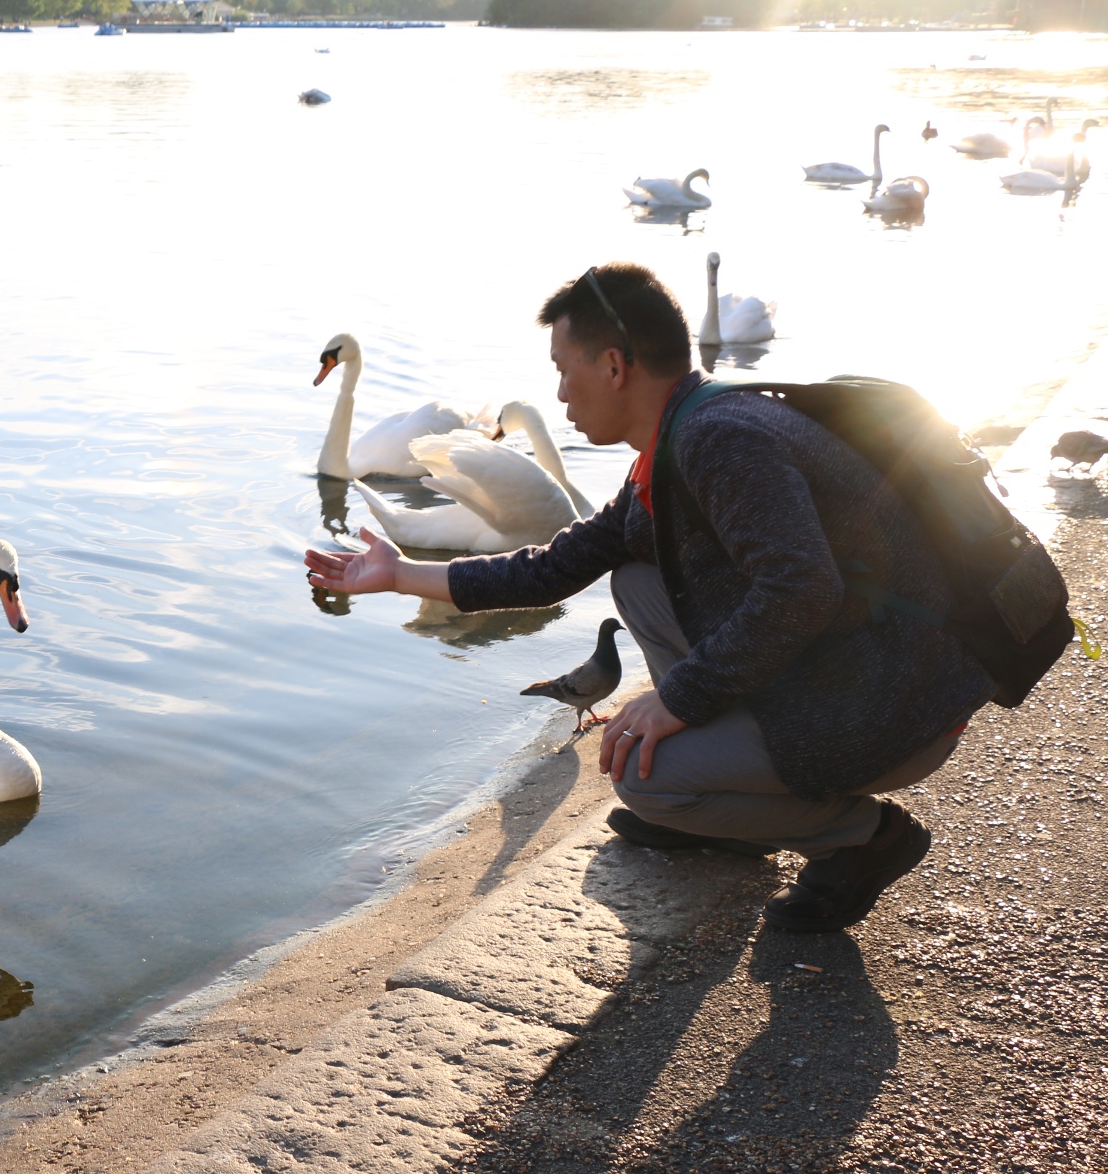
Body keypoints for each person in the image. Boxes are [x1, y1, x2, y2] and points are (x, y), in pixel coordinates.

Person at [305, 262, 991, 932]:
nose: (561, 393)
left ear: (613, 365)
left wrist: (678, 699)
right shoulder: (676, 441)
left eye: (562, 368)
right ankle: (734, 821)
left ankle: (867, 837)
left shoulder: (720, 440)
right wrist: (398, 573)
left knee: (647, 780)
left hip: (898, 706)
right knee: (636, 578)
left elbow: (803, 587)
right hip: (855, 668)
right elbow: (552, 568)